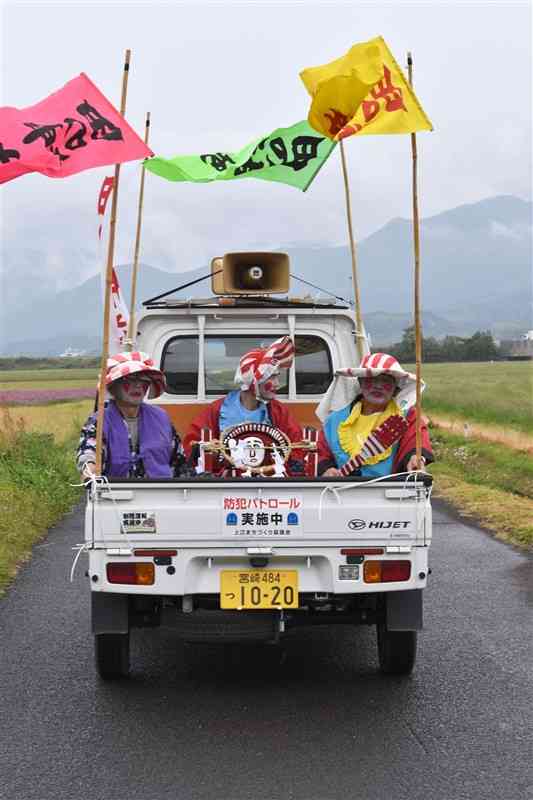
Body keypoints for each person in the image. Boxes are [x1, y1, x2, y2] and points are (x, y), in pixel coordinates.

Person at [183, 336, 304, 475]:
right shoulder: (216, 410)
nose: (277, 384)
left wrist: (294, 465)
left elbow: (297, 447)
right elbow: (192, 446)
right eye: (272, 377)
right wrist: (208, 450)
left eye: (277, 376)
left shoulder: (279, 412)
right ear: (253, 380)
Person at [77, 351, 192, 479]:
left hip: (160, 493)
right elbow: (88, 453)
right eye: (130, 379)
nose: (138, 385)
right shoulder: (99, 421)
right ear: (114, 386)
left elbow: (179, 461)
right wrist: (89, 471)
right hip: (114, 494)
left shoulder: (161, 418)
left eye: (144, 380)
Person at [316, 352, 434, 477]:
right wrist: (327, 470)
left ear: (396, 388)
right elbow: (322, 454)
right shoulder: (334, 420)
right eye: (371, 379)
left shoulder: (407, 417)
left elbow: (416, 441)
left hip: (392, 492)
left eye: (385, 380)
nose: (378, 386)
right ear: (360, 383)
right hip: (340, 493)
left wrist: (416, 458)